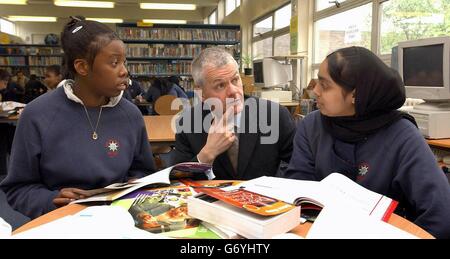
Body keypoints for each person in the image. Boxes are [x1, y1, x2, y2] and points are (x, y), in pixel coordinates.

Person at [284, 46, 450, 239]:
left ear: (356, 94)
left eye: (325, 85)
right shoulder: (312, 125)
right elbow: (297, 191)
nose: (315, 91)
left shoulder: (401, 134)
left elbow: (440, 214)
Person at [0, 16, 156, 219]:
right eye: (114, 63)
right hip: (60, 222)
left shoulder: (131, 114)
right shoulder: (37, 114)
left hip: (119, 220)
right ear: (82, 67)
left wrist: (132, 191)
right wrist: (51, 200)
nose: (124, 71)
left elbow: (143, 172)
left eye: (124, 62)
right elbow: (18, 188)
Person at [173, 47, 295, 180]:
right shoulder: (187, 124)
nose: (233, 91)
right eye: (220, 85)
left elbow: (298, 168)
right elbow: (179, 182)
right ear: (201, 93)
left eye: (235, 80)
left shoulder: (275, 115)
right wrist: (207, 155)